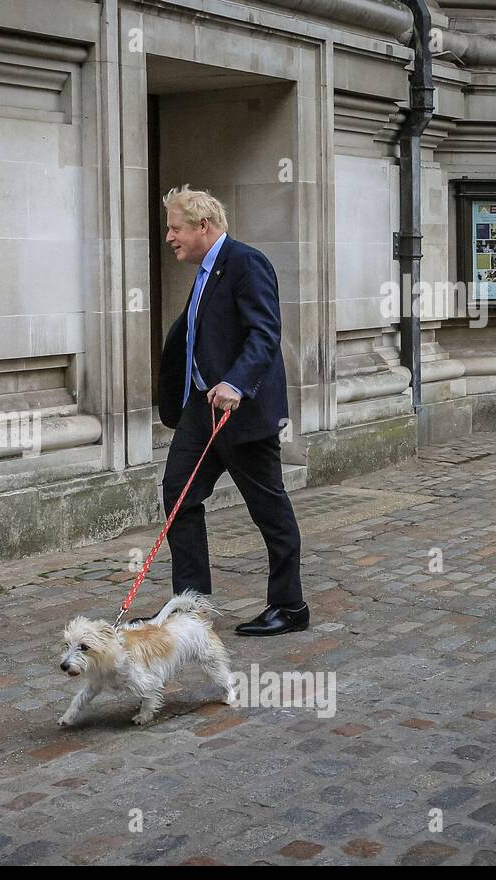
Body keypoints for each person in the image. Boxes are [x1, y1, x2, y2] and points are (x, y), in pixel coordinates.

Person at [156, 185, 309, 636]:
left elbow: (264, 333)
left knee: (269, 509)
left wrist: (236, 382)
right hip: (201, 413)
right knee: (178, 496)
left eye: (175, 227)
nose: (169, 236)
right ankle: (192, 608)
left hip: (241, 414)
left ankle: (290, 605)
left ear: (203, 226)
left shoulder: (246, 262)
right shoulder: (205, 270)